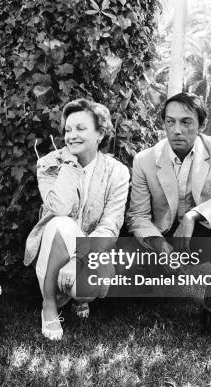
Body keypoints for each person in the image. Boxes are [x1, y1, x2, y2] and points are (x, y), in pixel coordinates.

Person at [127, 92, 211, 337]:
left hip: (201, 237)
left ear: (201, 125)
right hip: (161, 242)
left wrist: (193, 215)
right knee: (136, 285)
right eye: (170, 121)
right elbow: (138, 216)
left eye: (186, 122)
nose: (176, 130)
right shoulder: (144, 160)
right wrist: (163, 248)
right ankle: (149, 282)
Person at [24, 99, 130, 340]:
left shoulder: (118, 172)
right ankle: (49, 305)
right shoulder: (48, 164)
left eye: (80, 129)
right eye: (68, 130)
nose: (71, 136)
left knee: (87, 289)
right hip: (55, 246)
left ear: (100, 133)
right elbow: (59, 208)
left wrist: (78, 259)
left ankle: (78, 298)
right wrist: (70, 164)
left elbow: (110, 226)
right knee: (61, 223)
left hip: (91, 250)